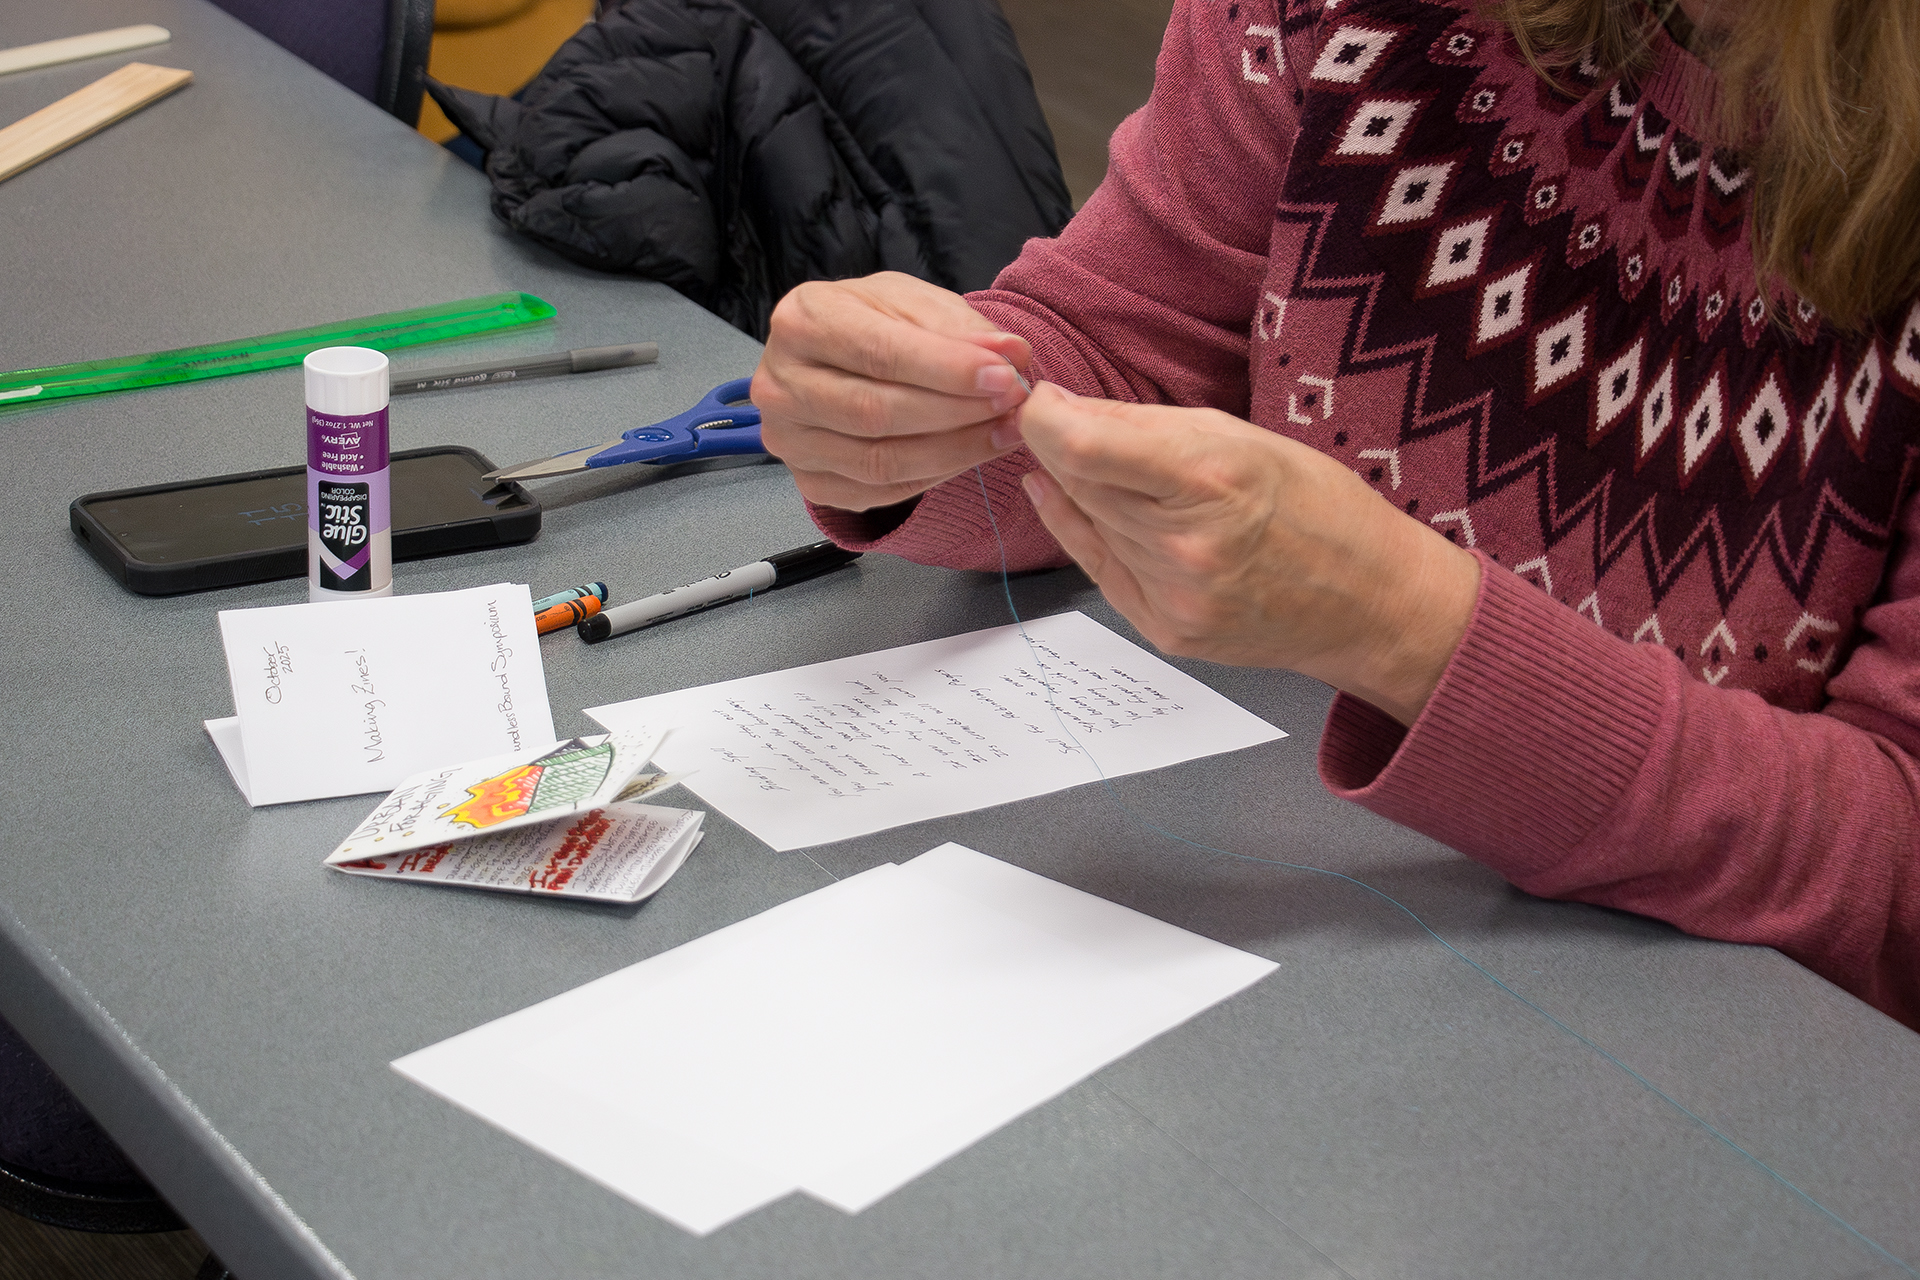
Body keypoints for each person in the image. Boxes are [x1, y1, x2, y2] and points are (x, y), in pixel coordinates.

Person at [748, 0, 1920, 1030]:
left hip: (1698, 1068)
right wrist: (902, 413)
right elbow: (1123, 344)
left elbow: (1896, 872)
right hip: (1282, 966)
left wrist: (1406, 624)